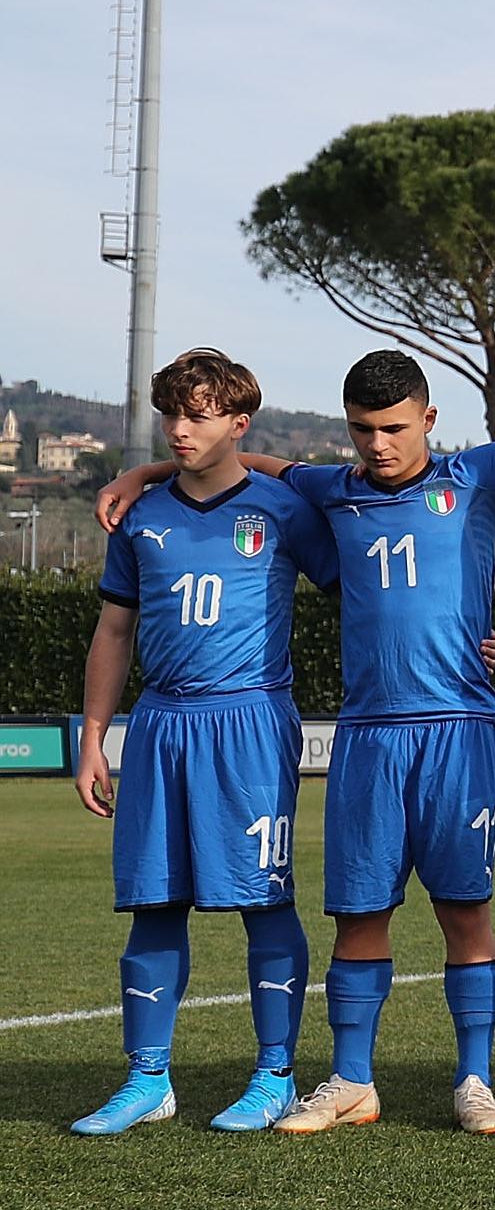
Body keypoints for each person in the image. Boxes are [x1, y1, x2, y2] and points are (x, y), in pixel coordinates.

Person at [98, 349, 495, 1134]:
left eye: (394, 427)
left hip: (452, 727)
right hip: (363, 733)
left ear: (429, 419)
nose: (378, 443)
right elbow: (257, 463)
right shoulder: (330, 488)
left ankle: (473, 1080)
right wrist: (146, 472)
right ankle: (348, 1080)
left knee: (464, 908)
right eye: (363, 429)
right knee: (356, 913)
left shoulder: (471, 475)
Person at [70, 350, 335, 1136]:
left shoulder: (283, 510)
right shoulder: (140, 516)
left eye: (198, 414)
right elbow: (114, 631)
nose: (180, 429)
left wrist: (463, 641)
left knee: (264, 898)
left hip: (250, 721)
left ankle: (275, 1075)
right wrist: (93, 739)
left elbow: (362, 593)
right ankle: (147, 1078)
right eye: (171, 415)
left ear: (238, 423)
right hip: (160, 724)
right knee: (153, 900)